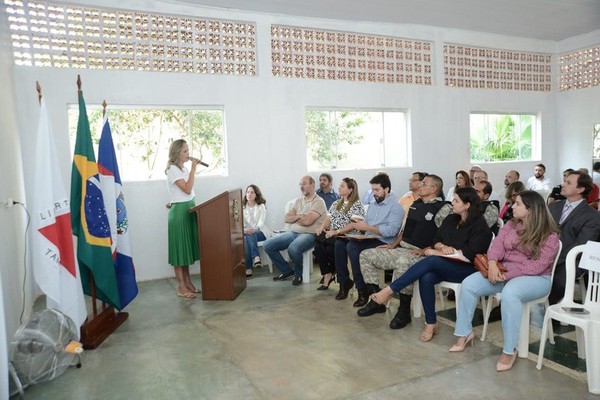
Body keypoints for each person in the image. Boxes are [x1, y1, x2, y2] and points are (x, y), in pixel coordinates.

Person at [360, 187, 492, 340]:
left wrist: (442, 252)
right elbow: (436, 240)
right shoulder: (451, 219)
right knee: (427, 276)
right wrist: (442, 247)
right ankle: (431, 322)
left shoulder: (480, 226)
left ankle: (390, 290)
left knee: (432, 260)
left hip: (468, 269)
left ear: (467, 205)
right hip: (445, 263)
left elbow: (471, 253)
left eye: (456, 201)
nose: (452, 203)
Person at [451, 191, 560, 372]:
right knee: (469, 284)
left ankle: (510, 349)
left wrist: (505, 275)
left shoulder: (550, 235)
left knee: (511, 293)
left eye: (517, 204)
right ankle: (464, 333)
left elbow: (536, 266)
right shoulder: (511, 224)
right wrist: (492, 263)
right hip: (502, 271)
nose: (512, 207)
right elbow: (497, 244)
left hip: (536, 278)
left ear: (531, 209)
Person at [357, 174, 452, 329]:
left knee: (403, 262)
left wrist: (424, 250)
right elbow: (406, 230)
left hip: (423, 255)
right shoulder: (417, 204)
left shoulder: (443, 208)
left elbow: (445, 237)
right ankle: (376, 300)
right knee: (366, 254)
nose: (420, 186)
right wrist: (394, 245)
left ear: (434, 188)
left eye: (424, 183)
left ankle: (404, 310)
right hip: (403, 249)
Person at [335, 173, 403, 306]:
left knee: (352, 247)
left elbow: (392, 231)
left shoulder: (396, 208)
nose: (373, 193)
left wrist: (368, 228)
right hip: (369, 238)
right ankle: (345, 283)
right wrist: (360, 224)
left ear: (387, 189)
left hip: (383, 241)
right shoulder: (373, 205)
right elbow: (367, 224)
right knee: (341, 243)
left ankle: (362, 290)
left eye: (377, 190)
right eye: (372, 190)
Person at [547, 170, 600, 305]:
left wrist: (554, 257)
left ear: (580, 189)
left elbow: (581, 244)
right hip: (546, 254)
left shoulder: (592, 216)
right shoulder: (553, 207)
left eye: (568, 183)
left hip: (572, 260)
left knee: (558, 281)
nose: (563, 184)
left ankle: (552, 314)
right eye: (565, 181)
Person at [264, 176, 327, 286]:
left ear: (312, 185)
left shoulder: (319, 202)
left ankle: (298, 274)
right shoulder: (299, 200)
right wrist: (300, 216)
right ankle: (287, 271)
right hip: (293, 232)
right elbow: (286, 218)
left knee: (293, 248)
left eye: (304, 184)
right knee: (268, 244)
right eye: (300, 184)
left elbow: (308, 221)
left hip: (310, 234)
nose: (301, 186)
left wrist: (296, 218)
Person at [165, 139, 201, 299]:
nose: (188, 154)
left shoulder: (183, 168)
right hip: (179, 214)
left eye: (188, 150)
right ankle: (180, 286)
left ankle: (188, 282)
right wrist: (194, 169)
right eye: (185, 151)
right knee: (179, 250)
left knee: (186, 250)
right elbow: (187, 189)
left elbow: (184, 192)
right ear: (177, 153)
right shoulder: (172, 169)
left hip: (188, 210)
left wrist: (190, 169)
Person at [314, 178, 364, 290]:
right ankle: (327, 273)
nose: (339, 188)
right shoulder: (336, 202)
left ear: (350, 189)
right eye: (339, 186)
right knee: (318, 239)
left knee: (332, 246)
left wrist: (336, 232)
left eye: (342, 186)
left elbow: (353, 225)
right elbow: (328, 218)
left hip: (347, 236)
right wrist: (321, 228)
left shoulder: (357, 204)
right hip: (334, 235)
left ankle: (334, 276)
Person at [243, 184, 271, 278]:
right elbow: (238, 224)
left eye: (252, 192)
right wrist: (245, 231)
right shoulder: (241, 207)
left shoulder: (261, 206)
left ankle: (249, 267)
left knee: (249, 235)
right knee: (246, 237)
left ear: (256, 194)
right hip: (246, 233)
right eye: (247, 192)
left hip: (260, 232)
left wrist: (255, 229)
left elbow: (262, 221)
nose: (249, 194)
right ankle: (256, 258)